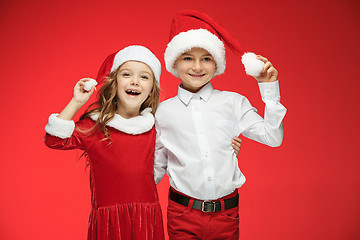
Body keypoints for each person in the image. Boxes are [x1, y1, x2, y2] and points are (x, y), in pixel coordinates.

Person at [154, 10, 287, 239]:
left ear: (217, 64)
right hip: (182, 214)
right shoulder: (163, 112)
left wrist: (269, 92)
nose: (197, 66)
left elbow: (273, 138)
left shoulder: (233, 103)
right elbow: (157, 167)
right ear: (174, 62)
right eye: (188, 58)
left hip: (226, 215)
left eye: (206, 58)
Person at [44, 45, 165, 240]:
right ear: (114, 83)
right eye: (126, 74)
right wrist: (76, 102)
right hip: (109, 225)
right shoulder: (94, 127)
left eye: (144, 77)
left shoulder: (154, 128)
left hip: (147, 221)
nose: (135, 81)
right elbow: (54, 139)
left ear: (151, 90)